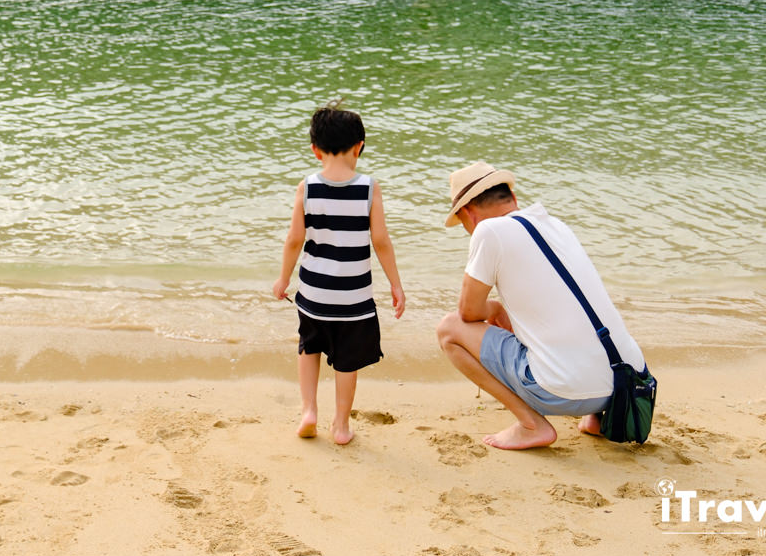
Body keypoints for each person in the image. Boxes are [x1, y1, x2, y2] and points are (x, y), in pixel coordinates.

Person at [435, 161, 645, 450]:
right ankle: (596, 420)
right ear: (513, 199)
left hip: (563, 391)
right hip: (627, 383)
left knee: (449, 330)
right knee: (576, 309)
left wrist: (494, 309)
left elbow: (467, 313)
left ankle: (531, 424)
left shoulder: (488, 231)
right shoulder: (556, 225)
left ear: (468, 214)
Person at [273, 105, 406, 445]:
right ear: (359, 146)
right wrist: (395, 283)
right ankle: (342, 425)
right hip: (354, 297)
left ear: (315, 150)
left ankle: (308, 412)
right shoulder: (368, 188)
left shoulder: (307, 187)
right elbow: (380, 241)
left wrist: (283, 279)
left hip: (314, 292)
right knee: (347, 361)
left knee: (309, 347)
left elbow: (293, 240)